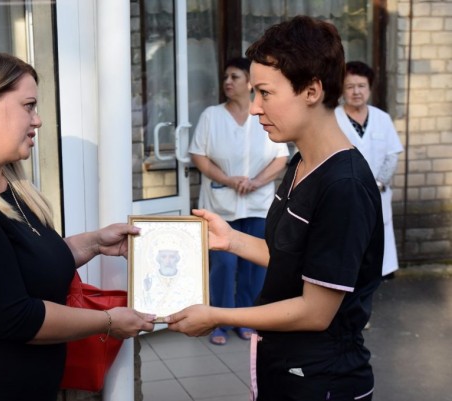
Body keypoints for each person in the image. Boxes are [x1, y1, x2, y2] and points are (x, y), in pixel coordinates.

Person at [0, 48, 155, 401]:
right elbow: (18, 317)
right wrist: (109, 322)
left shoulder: (6, 186)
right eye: (29, 106)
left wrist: (95, 243)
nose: (37, 120)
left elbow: (19, 266)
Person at [166, 16, 383, 401]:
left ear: (312, 91)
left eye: (264, 93)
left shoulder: (344, 186)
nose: (254, 108)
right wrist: (232, 240)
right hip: (282, 367)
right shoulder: (301, 163)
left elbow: (315, 312)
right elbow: (294, 260)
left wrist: (217, 314)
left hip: (322, 380)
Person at [188, 57, 289, 345]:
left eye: (234, 77)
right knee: (223, 265)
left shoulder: (264, 114)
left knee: (254, 266)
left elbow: (280, 157)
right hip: (221, 205)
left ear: (249, 83)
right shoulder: (212, 116)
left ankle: (248, 319)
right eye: (225, 77)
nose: (228, 82)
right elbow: (198, 155)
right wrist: (228, 179)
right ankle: (219, 322)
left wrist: (256, 181)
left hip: (257, 204)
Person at [335, 61, 404, 279]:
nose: (356, 92)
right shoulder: (332, 119)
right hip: (345, 195)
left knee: (377, 254)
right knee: (347, 249)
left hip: (377, 193)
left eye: (361, 86)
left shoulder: (382, 118)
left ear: (369, 88)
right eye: (350, 86)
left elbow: (392, 155)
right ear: (342, 89)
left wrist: (378, 183)